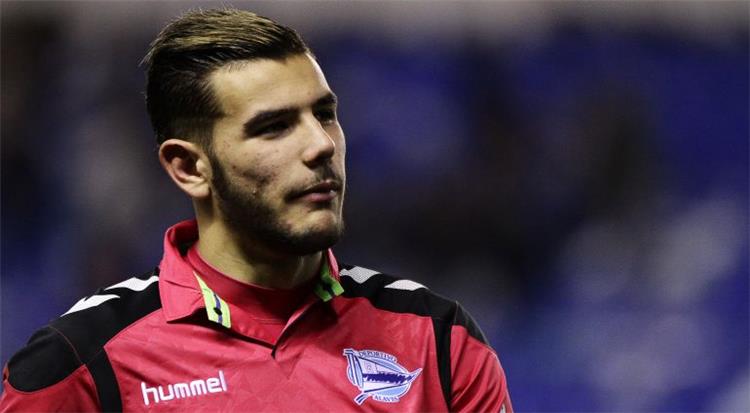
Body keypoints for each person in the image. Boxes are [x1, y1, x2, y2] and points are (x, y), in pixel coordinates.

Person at [0, 8, 512, 412]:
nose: (321, 145)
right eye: (274, 127)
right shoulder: (81, 363)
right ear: (189, 167)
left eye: (325, 115)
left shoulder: (438, 340)